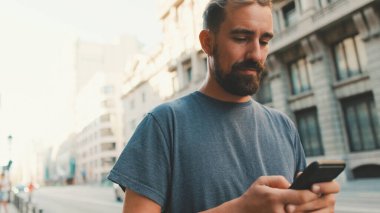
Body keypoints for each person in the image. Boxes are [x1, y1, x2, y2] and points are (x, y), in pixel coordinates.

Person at [108, 0, 340, 212]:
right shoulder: (163, 124)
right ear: (207, 42)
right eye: (241, 38)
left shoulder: (284, 126)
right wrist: (240, 209)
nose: (256, 54)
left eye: (265, 41)